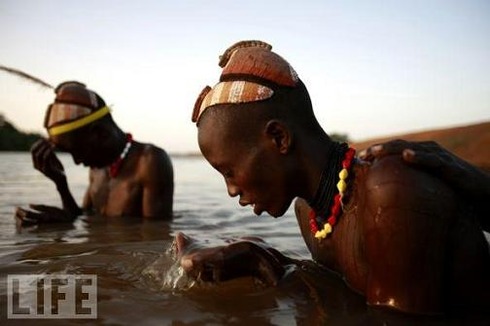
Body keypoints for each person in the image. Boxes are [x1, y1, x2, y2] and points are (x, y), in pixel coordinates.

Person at [178, 40, 490, 315]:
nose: (231, 190)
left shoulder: (390, 192)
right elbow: (346, 295)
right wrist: (262, 260)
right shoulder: (309, 212)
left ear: (279, 138)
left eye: (229, 171)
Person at [15, 81, 174, 225]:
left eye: (78, 151)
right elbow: (85, 217)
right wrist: (61, 185)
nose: (77, 161)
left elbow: (155, 239)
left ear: (99, 133)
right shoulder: (97, 166)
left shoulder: (150, 161)